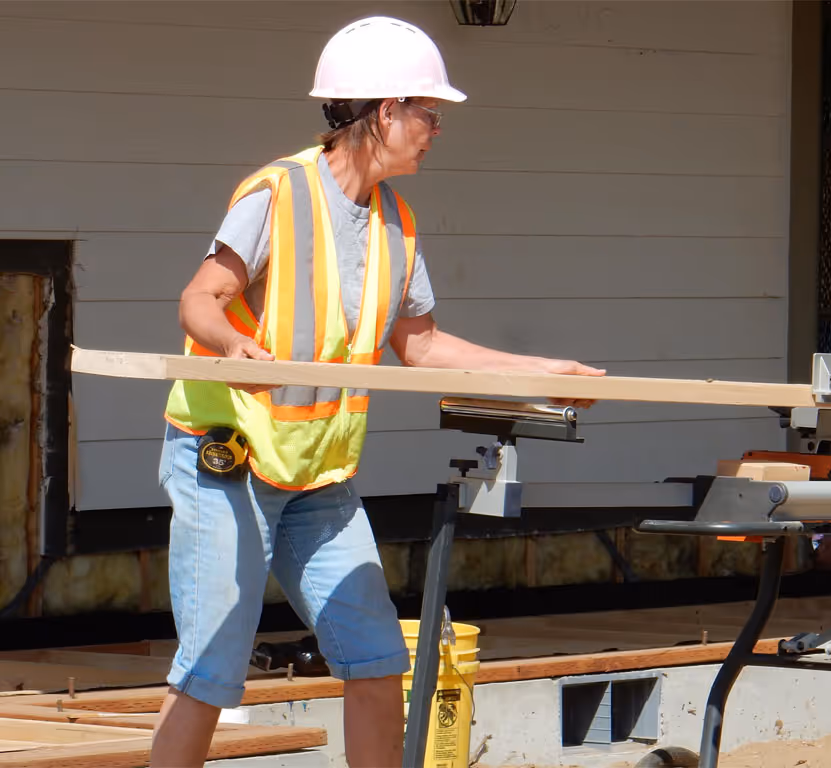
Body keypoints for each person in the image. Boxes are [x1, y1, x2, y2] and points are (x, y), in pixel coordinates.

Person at [150, 16, 604, 768]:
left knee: (375, 660)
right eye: (427, 112)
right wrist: (234, 345)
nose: (435, 128)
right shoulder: (277, 193)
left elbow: (420, 343)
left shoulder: (396, 221)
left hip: (318, 474)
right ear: (384, 111)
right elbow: (201, 297)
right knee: (210, 673)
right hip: (224, 461)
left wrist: (533, 372)